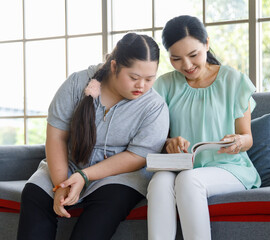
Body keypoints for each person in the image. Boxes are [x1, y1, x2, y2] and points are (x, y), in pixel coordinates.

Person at [17, 33, 169, 240]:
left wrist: (85, 175)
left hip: (119, 175)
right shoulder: (76, 84)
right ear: (114, 66)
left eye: (149, 79)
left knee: (107, 207)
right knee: (34, 195)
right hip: (69, 164)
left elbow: (137, 156)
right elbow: (56, 137)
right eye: (134, 78)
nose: (141, 86)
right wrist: (61, 184)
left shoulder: (154, 106)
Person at [147, 15, 261, 240]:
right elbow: (157, 138)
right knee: (159, 182)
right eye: (176, 58)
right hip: (183, 166)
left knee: (189, 181)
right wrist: (170, 143)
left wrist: (238, 141)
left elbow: (247, 137)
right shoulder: (164, 86)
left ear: (206, 44)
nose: (187, 66)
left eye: (193, 55)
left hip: (229, 167)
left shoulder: (233, 81)